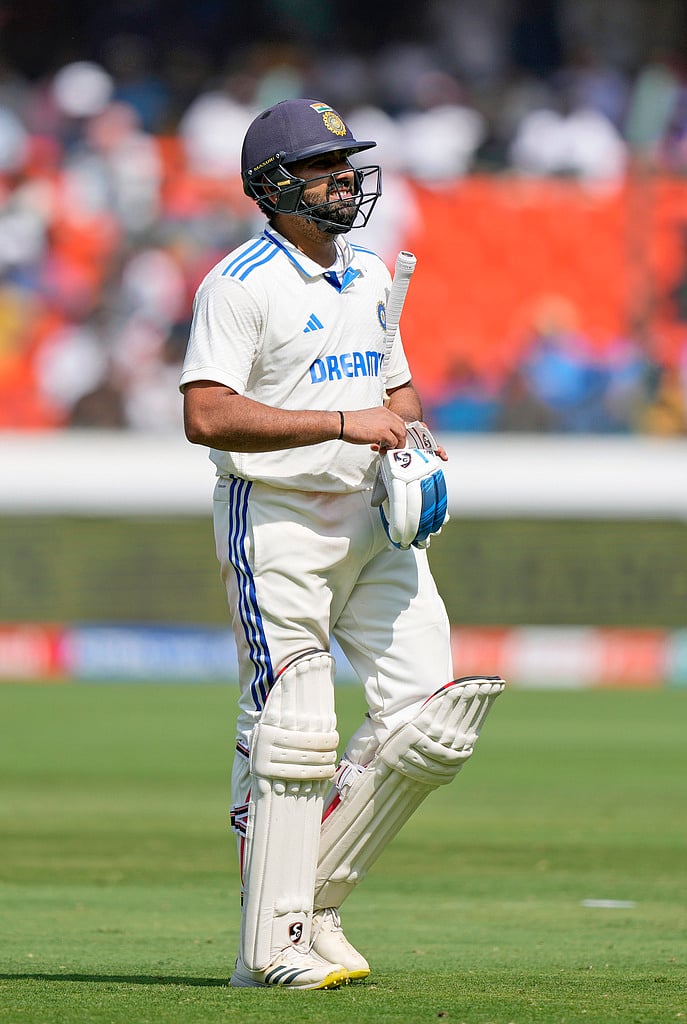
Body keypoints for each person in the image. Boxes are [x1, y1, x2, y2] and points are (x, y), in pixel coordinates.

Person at [180, 97, 504, 990]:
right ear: (273, 186)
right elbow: (205, 415)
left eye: (347, 162)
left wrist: (415, 444)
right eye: (324, 166)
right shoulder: (237, 283)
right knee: (294, 732)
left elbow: (394, 397)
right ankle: (268, 947)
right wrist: (338, 422)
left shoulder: (366, 274)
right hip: (278, 519)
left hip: (372, 521)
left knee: (433, 723)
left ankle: (306, 903)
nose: (345, 179)